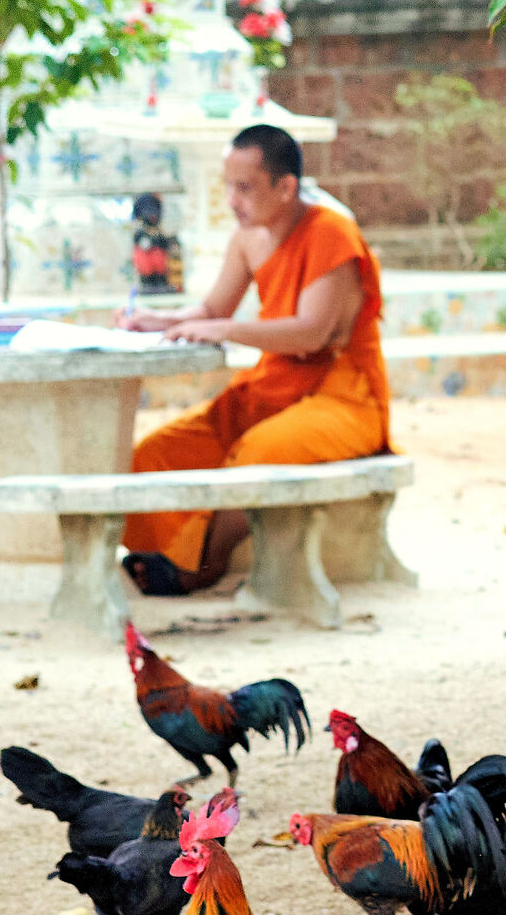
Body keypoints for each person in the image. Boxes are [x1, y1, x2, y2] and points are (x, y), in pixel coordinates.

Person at [116, 124, 390, 594]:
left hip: (342, 399)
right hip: (270, 389)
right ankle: (165, 553)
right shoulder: (248, 239)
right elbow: (211, 310)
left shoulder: (331, 234)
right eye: (228, 185)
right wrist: (156, 320)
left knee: (256, 453)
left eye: (244, 188)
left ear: (285, 188)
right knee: (154, 454)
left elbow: (311, 332)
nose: (232, 200)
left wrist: (222, 330)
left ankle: (204, 563)